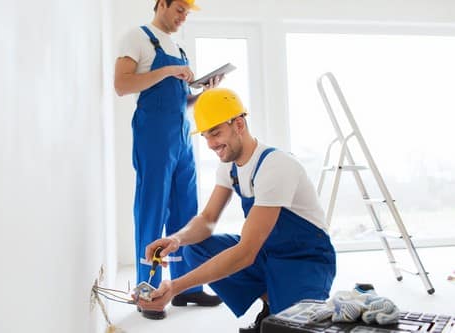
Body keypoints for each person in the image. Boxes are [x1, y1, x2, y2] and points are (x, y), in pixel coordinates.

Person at [137, 88, 337, 333]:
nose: (211, 144)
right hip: (268, 252)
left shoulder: (275, 166)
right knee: (195, 248)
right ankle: (271, 303)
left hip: (305, 259)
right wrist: (175, 239)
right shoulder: (230, 166)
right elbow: (208, 219)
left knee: (289, 327)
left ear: (239, 124)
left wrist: (175, 287)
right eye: (206, 136)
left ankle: (281, 304)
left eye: (216, 133)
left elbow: (245, 253)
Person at [114, 0, 222, 320]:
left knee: (186, 210)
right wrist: (167, 70)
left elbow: (181, 101)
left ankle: (186, 288)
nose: (182, 17)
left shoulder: (179, 46)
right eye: (179, 10)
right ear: (161, 4)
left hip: (181, 136)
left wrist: (203, 93)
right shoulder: (137, 37)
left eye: (187, 13)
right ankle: (147, 293)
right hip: (154, 136)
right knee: (152, 210)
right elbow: (122, 85)